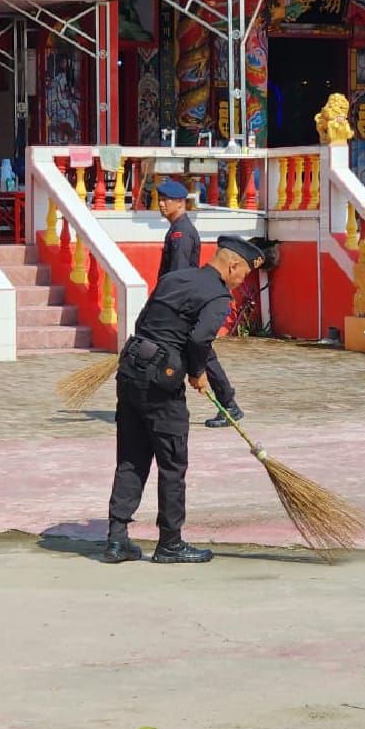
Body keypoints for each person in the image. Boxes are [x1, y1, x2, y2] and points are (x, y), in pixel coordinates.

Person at [105, 235, 266, 565]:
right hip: (163, 385)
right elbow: (199, 337)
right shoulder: (218, 296)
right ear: (232, 265)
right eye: (244, 274)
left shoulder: (174, 279)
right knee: (172, 464)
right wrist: (196, 371)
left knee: (131, 458)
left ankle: (117, 539)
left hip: (130, 372)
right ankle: (170, 542)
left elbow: (143, 322)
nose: (241, 281)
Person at [155, 178, 243, 428]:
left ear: (181, 202)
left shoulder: (181, 233)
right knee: (200, 354)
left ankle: (228, 404)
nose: (161, 204)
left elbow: (179, 274)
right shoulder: (177, 229)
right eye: (160, 199)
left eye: (166, 200)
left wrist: (170, 304)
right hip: (182, 302)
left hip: (182, 304)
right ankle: (228, 404)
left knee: (201, 354)